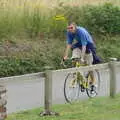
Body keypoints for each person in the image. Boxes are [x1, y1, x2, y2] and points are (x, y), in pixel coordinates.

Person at [63, 22, 102, 92]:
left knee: (89, 66)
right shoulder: (69, 32)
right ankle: (81, 79)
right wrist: (65, 56)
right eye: (68, 28)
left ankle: (93, 82)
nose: (70, 29)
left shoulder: (81, 32)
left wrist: (82, 58)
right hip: (79, 44)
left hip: (88, 45)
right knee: (75, 58)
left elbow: (84, 46)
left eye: (71, 28)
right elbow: (69, 44)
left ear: (75, 27)